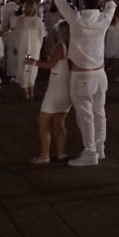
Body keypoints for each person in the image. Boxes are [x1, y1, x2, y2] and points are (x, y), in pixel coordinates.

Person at [54, 0, 116, 167]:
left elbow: (58, 0)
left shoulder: (76, 19)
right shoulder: (104, 18)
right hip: (100, 73)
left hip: (81, 74)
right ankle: (100, 148)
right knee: (99, 112)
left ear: (81, 3)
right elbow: (112, 2)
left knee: (85, 116)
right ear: (98, 4)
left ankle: (90, 152)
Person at [25, 21, 73, 164]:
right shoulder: (76, 46)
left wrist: (32, 62)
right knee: (60, 122)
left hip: (56, 85)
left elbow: (50, 65)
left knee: (43, 122)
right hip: (68, 85)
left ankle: (44, 155)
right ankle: (61, 153)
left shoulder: (61, 46)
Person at [12, 0, 47, 99]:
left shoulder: (20, 20)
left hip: (23, 47)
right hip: (34, 47)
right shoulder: (38, 20)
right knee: (32, 67)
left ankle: (25, 90)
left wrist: (16, 46)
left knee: (23, 67)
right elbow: (42, 35)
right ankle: (31, 90)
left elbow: (16, 35)